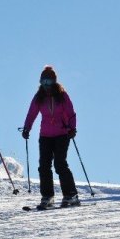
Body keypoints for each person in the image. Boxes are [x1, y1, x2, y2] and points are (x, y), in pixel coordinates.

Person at [22, 65, 80, 209]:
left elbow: (71, 112)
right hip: (45, 135)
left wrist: (72, 128)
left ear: (54, 81)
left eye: (49, 82)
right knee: (44, 166)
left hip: (62, 134)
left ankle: (71, 195)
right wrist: (27, 128)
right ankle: (47, 197)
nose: (46, 85)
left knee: (60, 164)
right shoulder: (39, 97)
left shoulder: (62, 95)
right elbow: (32, 114)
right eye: (43, 82)